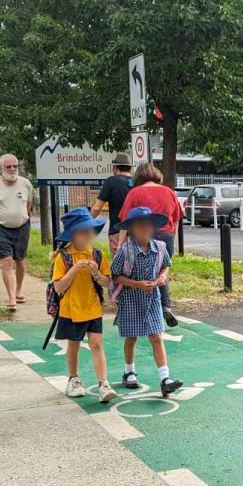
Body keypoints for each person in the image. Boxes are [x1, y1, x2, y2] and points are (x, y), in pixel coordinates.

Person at [110, 206, 184, 397]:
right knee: (131, 336)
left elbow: (166, 266)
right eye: (139, 224)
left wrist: (161, 278)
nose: (145, 227)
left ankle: (165, 379)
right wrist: (135, 284)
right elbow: (115, 276)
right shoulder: (125, 251)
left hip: (152, 298)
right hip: (131, 298)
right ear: (132, 229)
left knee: (156, 336)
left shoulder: (159, 247)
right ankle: (129, 371)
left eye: (148, 224)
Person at [52, 207, 116, 403]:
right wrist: (75, 269)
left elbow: (107, 282)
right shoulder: (63, 257)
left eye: (90, 230)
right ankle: (73, 379)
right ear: (72, 234)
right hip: (71, 309)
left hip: (93, 307)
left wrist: (96, 273)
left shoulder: (96, 254)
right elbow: (58, 286)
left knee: (97, 344)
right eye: (83, 231)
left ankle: (103, 384)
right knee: (74, 344)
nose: (88, 235)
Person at [119, 163, 183, 327]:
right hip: (166, 234)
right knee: (162, 270)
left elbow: (125, 221)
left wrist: (121, 245)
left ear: (138, 177)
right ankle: (165, 306)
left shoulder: (135, 193)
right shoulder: (169, 192)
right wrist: (170, 237)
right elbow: (176, 218)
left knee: (139, 270)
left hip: (142, 234)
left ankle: (142, 308)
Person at [0, 153, 34, 311]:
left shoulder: (26, 184)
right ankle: (11, 297)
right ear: (1, 168)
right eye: (8, 166)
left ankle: (18, 290)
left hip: (22, 227)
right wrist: (2, 217)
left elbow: (29, 204)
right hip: (1, 228)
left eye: (15, 166)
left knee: (20, 260)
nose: (12, 169)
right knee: (6, 262)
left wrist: (20, 217)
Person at [90, 153, 134, 254]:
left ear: (115, 168)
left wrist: (85, 222)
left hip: (117, 230)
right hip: (137, 231)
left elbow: (97, 208)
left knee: (118, 265)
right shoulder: (137, 182)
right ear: (129, 168)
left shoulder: (111, 181)